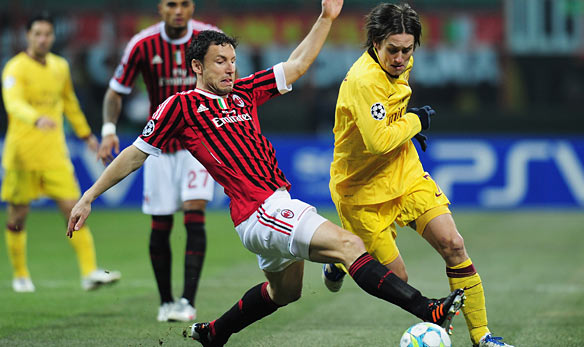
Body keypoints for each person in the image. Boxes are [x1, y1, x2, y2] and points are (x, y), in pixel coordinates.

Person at [68, 1, 465, 345]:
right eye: (219, 62)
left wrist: (326, 17)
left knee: (285, 293)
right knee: (348, 245)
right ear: (196, 66)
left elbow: (296, 65)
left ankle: (215, 333)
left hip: (272, 208)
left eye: (232, 61)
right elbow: (135, 154)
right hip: (259, 210)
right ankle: (427, 309)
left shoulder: (244, 91)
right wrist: (88, 196)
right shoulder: (181, 106)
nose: (229, 68)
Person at [324, 3, 513, 347]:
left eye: (407, 50)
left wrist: (403, 127)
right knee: (397, 279)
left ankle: (483, 337)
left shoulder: (403, 62)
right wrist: (415, 121)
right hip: (361, 190)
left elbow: (388, 128)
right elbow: (378, 142)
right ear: (375, 43)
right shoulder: (364, 81)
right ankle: (340, 258)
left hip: (404, 172)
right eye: (392, 50)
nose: (400, 58)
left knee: (453, 244)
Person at [98, 0, 219, 322]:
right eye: (171, 4)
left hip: (200, 147)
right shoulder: (142, 44)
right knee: (161, 224)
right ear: (160, 8)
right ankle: (165, 302)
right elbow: (115, 91)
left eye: (184, 4)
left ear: (192, 7)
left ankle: (187, 302)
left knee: (195, 215)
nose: (178, 10)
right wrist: (109, 130)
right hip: (159, 148)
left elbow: (231, 86)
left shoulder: (210, 39)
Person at [1, 12, 120, 293]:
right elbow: (13, 103)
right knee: (18, 215)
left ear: (53, 36)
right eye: (37, 34)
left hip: (54, 153)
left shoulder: (60, 66)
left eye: (47, 34)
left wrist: (88, 136)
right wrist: (35, 118)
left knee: (73, 208)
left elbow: (70, 103)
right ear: (28, 37)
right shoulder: (14, 69)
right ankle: (20, 274)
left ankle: (90, 272)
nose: (43, 39)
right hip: (22, 155)